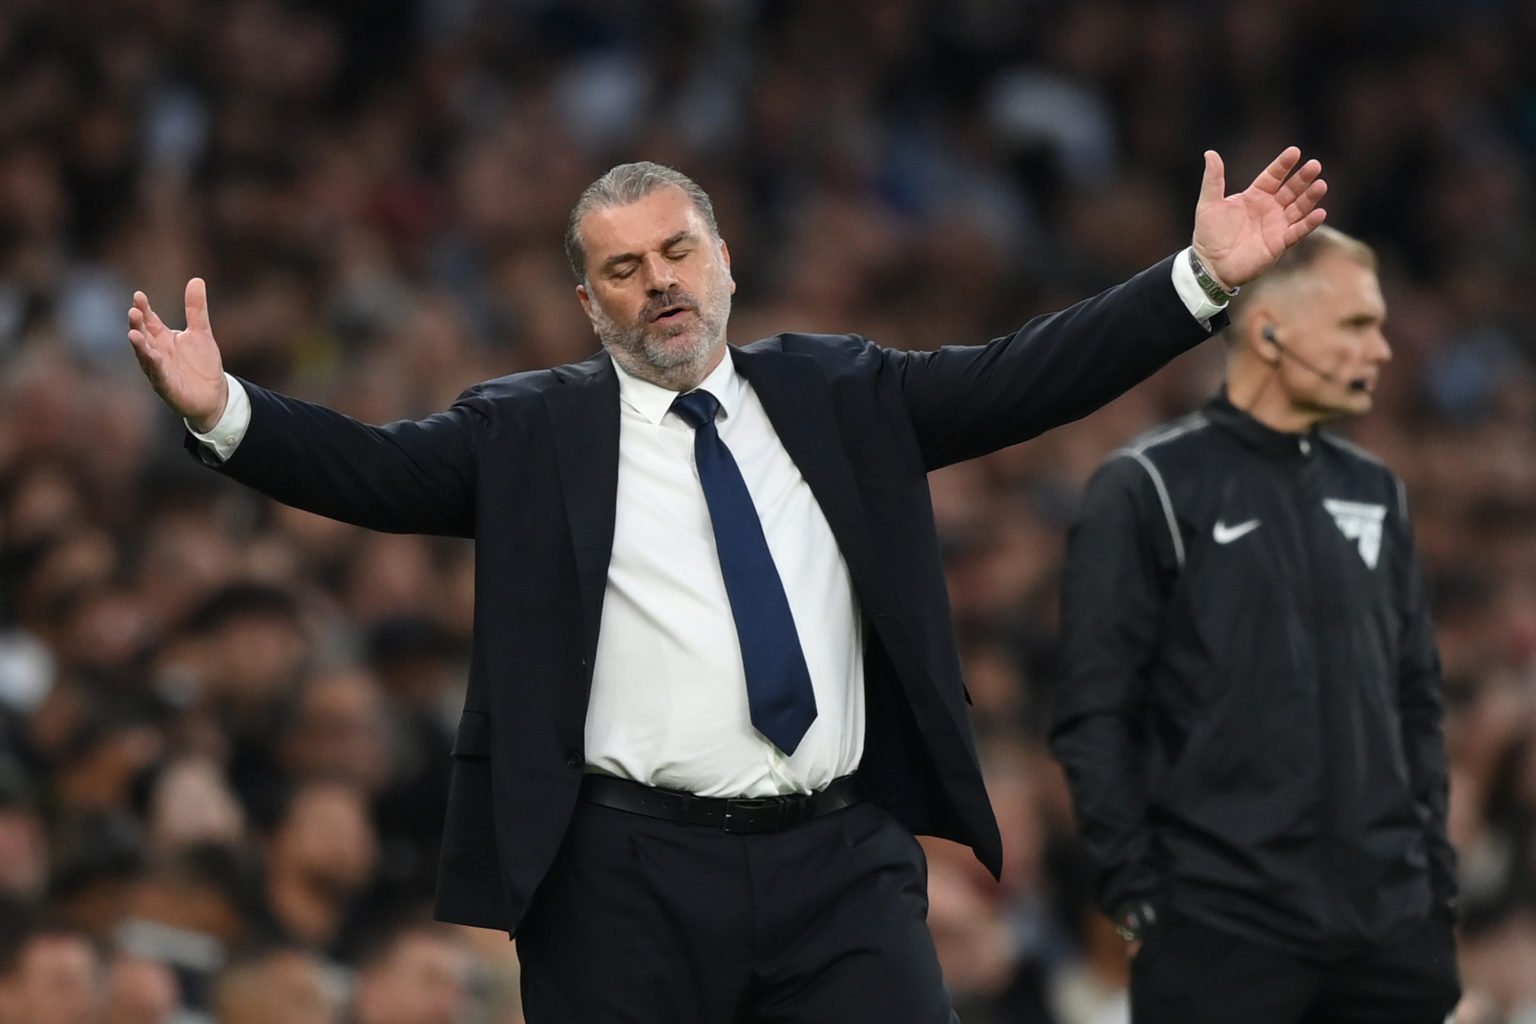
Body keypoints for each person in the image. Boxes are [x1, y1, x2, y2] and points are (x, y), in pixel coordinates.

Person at [128, 147, 1326, 1023]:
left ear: (723, 260)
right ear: (589, 303)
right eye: (623, 268)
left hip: (840, 862)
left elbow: (1029, 377)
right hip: (623, 881)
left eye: (676, 250)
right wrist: (223, 410)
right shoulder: (529, 434)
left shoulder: (841, 391)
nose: (658, 281)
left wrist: (1196, 283)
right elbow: (372, 472)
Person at [1050, 226, 1461, 1023]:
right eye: (1355, 324)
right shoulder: (1147, 488)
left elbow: (1417, 703)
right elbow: (1094, 717)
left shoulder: (1379, 490)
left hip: (1390, 937)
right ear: (1269, 331)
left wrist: (1433, 886)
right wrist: (1136, 898)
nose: (1381, 351)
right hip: (1220, 935)